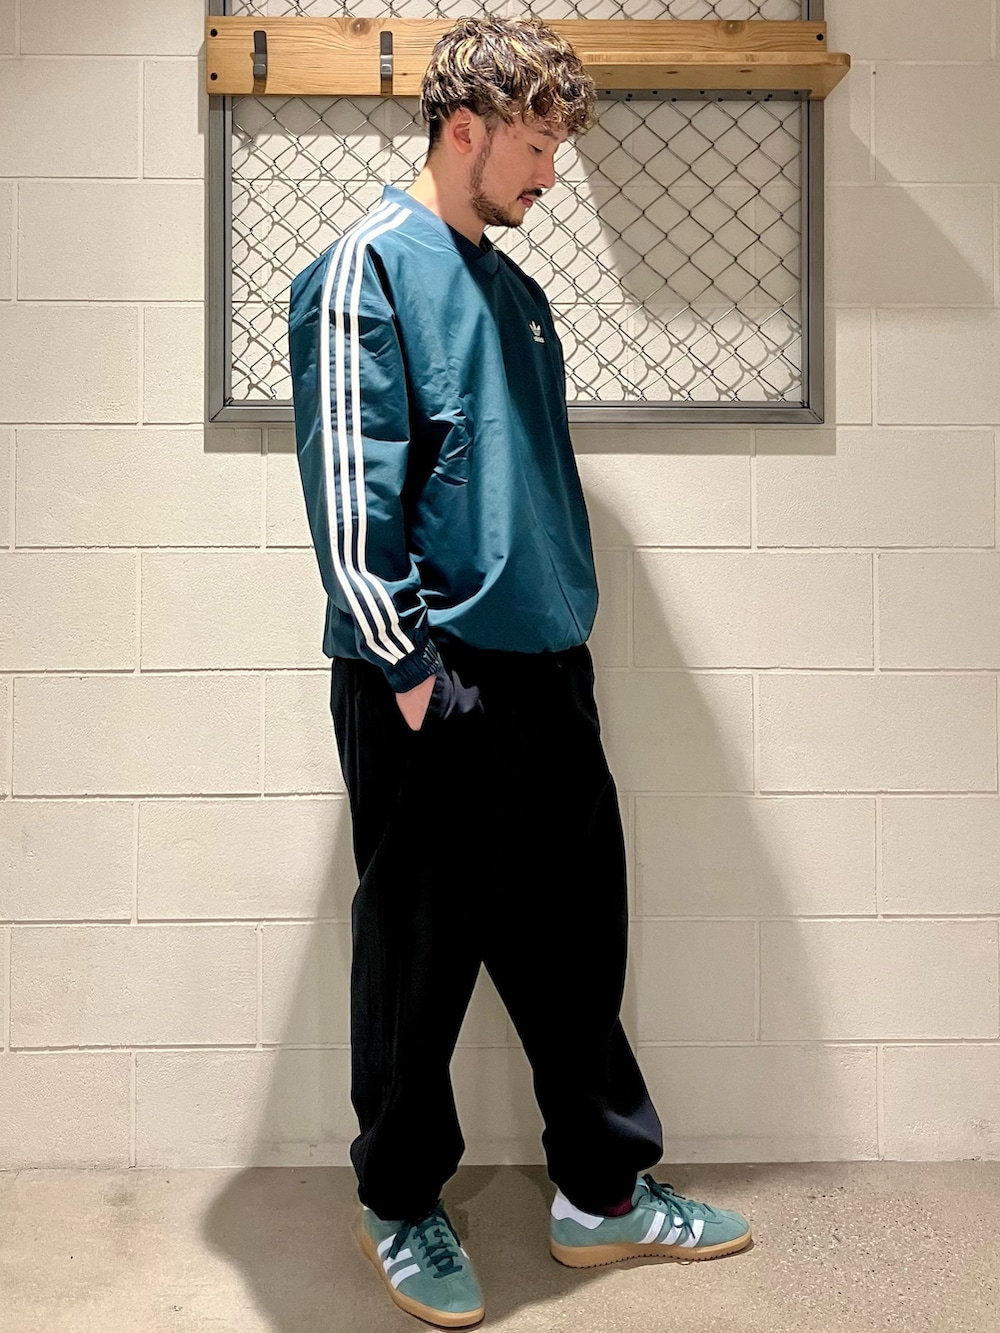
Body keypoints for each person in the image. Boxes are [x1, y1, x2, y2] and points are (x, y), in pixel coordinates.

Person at [288, 15, 752, 1328]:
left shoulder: (519, 296)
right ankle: (399, 1200)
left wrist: (565, 641)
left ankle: (600, 1194)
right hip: (434, 676)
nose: (551, 174)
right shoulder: (365, 268)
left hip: (549, 671)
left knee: (574, 942)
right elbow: (348, 485)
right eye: (537, 146)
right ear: (465, 129)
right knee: (419, 958)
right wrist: (408, 670)